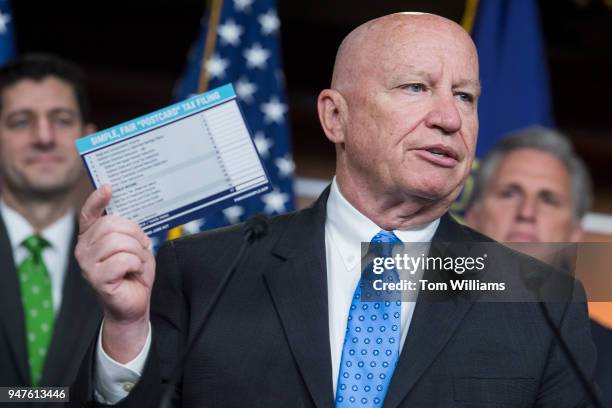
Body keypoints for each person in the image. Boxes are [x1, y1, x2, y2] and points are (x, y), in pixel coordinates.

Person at [72, 13, 596, 407]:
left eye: (465, 96)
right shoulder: (205, 273)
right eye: (416, 87)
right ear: (335, 117)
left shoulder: (541, 304)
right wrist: (124, 330)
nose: (448, 118)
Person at [465, 126, 612, 407]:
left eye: (548, 200)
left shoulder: (606, 357)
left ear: (574, 234)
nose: (526, 213)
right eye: (509, 193)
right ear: (473, 216)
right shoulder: (409, 324)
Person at [0, 54, 102, 393]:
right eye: (19, 122)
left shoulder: (124, 260)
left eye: (61, 120)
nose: (43, 137)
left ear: (88, 138)